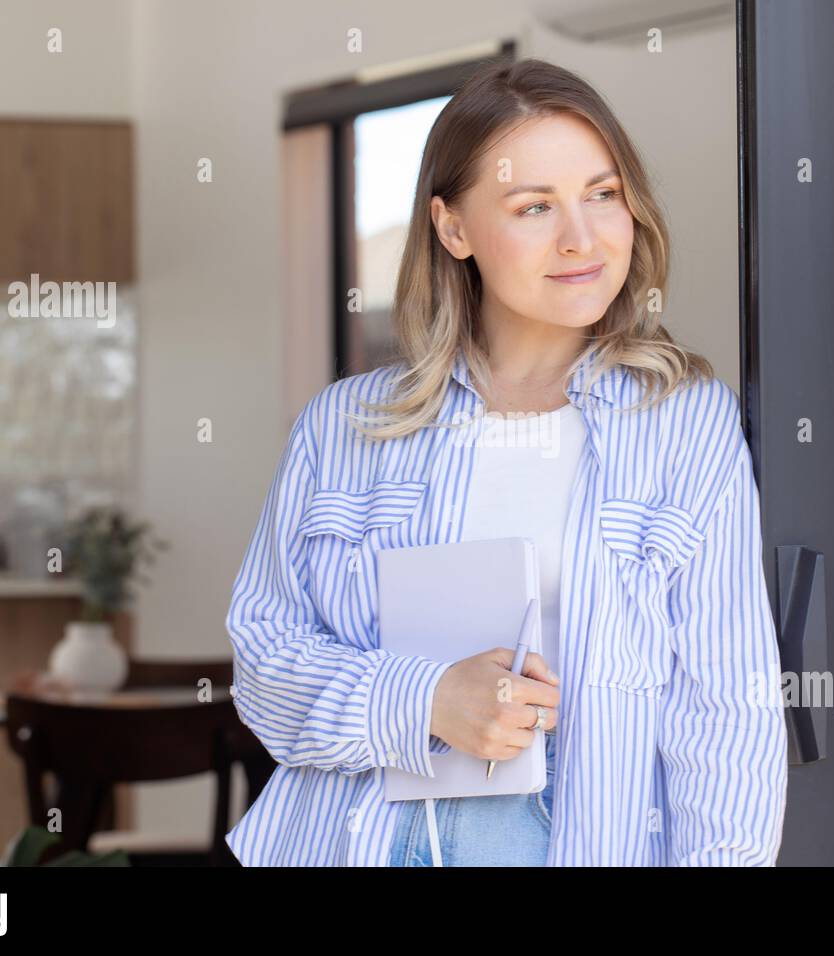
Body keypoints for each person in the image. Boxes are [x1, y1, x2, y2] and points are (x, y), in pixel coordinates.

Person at [224, 57, 787, 866]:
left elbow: (725, 713)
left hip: (567, 833)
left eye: (602, 194)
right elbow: (266, 671)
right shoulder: (342, 426)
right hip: (356, 836)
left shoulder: (684, 425)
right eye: (534, 207)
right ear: (454, 229)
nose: (582, 238)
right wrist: (423, 698)